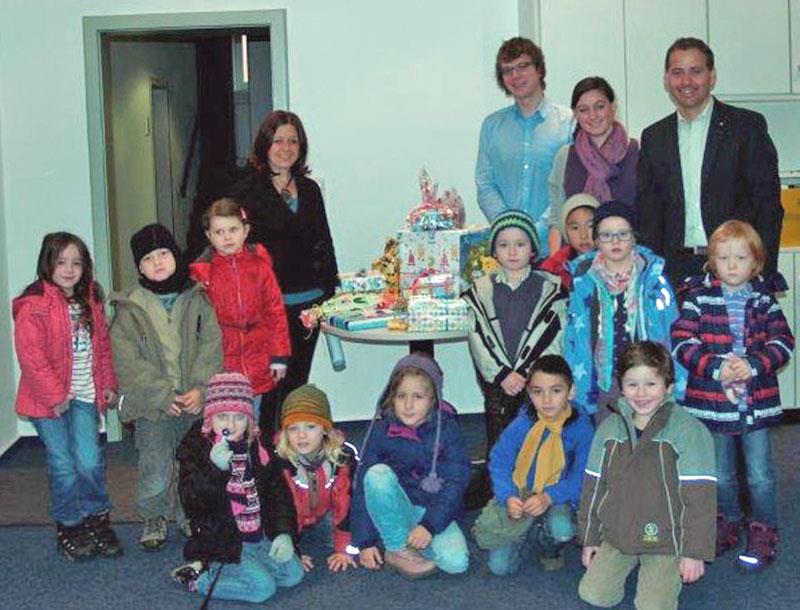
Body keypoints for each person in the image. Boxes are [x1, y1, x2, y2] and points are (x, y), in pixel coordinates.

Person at [671, 220, 794, 570]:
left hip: (756, 403)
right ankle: (725, 522)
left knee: (760, 474)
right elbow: (682, 341)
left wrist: (755, 365)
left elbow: (783, 342)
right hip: (712, 404)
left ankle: (763, 528)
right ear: (711, 261)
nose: (732, 265)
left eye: (741, 257)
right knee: (721, 473)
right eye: (723, 257)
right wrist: (715, 368)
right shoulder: (697, 298)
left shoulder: (764, 300)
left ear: (755, 262)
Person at [577, 341, 716, 609]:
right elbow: (593, 488)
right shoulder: (608, 429)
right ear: (621, 387)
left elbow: (700, 498)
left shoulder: (688, 431)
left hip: (665, 538)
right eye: (632, 384)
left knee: (652, 606)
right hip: (620, 533)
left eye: (651, 384)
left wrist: (694, 552)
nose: (641, 393)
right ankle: (626, 562)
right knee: (595, 595)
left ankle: (660, 570)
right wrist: (590, 537)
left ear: (669, 387)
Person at [110, 223, 222, 551]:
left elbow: (211, 345)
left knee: (193, 463)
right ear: (139, 267)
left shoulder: (198, 297)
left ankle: (189, 512)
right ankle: (154, 515)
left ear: (175, 255)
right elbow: (127, 361)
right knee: (155, 463)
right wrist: (161, 394)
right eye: (148, 258)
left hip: (192, 401)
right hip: (152, 405)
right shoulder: (130, 308)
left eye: (163, 254)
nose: (158, 262)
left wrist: (200, 388)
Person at [637, 37, 782, 286]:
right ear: (666, 79)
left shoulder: (746, 128)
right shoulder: (654, 137)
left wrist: (762, 273)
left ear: (712, 76)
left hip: (736, 269)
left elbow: (768, 207)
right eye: (677, 72)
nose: (686, 82)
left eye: (696, 71)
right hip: (674, 274)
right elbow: (649, 215)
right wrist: (649, 277)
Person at [13, 232, 121, 561]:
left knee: (89, 460)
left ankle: (96, 517)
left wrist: (107, 383)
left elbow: (102, 347)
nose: (69, 269)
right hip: (47, 402)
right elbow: (30, 356)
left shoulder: (90, 299)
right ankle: (69, 524)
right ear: (47, 264)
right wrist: (55, 394)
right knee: (63, 464)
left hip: (85, 396)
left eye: (76, 263)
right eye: (61, 262)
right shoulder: (33, 304)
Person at [228, 110, 339, 407]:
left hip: (309, 305)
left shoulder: (310, 189)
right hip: (268, 308)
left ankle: (291, 449)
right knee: (268, 388)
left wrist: (332, 291)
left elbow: (324, 241)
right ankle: (267, 450)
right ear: (265, 145)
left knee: (296, 384)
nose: (286, 147)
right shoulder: (246, 192)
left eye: (293, 141)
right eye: (278, 141)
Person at [171, 372, 304, 603]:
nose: (231, 425)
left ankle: (250, 564)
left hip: (257, 535)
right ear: (210, 417)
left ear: (249, 420)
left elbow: (277, 494)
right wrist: (214, 469)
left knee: (293, 574)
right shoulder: (195, 447)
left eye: (239, 418)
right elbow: (192, 501)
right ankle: (198, 578)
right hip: (221, 541)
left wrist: (283, 533)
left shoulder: (258, 447)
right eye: (222, 416)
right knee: (263, 589)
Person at [463, 210, 568, 476]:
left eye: (520, 244)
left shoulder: (550, 289)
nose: (512, 252)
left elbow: (553, 335)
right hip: (498, 382)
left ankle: (539, 481)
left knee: (539, 431)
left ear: (532, 249)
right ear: (494, 250)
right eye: (504, 245)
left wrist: (528, 374)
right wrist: (501, 374)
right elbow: (476, 337)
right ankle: (498, 485)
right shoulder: (479, 291)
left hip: (535, 381)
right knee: (499, 436)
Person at [351, 353, 470, 579]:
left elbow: (456, 483)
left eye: (418, 396)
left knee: (456, 563)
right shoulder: (380, 431)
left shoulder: (448, 429)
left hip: (432, 508)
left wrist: (429, 526)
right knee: (376, 475)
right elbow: (361, 488)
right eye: (400, 396)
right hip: (397, 505)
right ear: (391, 397)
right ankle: (397, 548)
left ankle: (409, 538)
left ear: (433, 399)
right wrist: (365, 541)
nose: (407, 405)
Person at [473, 355, 593, 574]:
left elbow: (583, 476)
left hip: (558, 496)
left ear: (571, 391)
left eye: (556, 391)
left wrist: (549, 497)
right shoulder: (524, 422)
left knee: (562, 530)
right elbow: (499, 459)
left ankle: (549, 545)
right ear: (529, 393)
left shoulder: (581, 428)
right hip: (521, 492)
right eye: (538, 392)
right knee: (500, 568)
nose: (547, 400)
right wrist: (508, 495)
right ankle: (525, 531)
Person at [564, 201, 683, 417]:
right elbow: (573, 336)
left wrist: (677, 379)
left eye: (623, 234)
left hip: (649, 381)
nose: (615, 241)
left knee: (651, 442)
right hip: (605, 381)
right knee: (609, 442)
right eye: (606, 235)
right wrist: (573, 380)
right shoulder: (583, 281)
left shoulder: (654, 278)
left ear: (634, 237)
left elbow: (673, 329)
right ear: (596, 240)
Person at [190, 198, 290, 438]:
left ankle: (252, 466)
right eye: (219, 232)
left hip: (258, 351)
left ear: (245, 231)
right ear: (209, 236)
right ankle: (225, 467)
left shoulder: (260, 266)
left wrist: (279, 357)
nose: (227, 237)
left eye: (233, 230)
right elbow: (198, 324)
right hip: (222, 355)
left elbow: (275, 311)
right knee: (225, 418)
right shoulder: (204, 273)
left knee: (252, 420)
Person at [476, 36, 573, 254]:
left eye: (523, 66)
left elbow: (570, 185)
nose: (515, 75)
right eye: (507, 70)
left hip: (555, 249)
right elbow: (485, 184)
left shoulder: (569, 122)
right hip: (507, 253)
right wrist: (510, 228)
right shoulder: (492, 126)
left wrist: (533, 231)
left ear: (539, 69)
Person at [270, 384, 358, 572]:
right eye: (293, 429)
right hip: (291, 519)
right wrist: (294, 549)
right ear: (285, 432)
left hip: (323, 514)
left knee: (356, 527)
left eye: (311, 427)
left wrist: (343, 549)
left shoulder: (341, 458)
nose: (302, 435)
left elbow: (345, 503)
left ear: (325, 429)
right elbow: (282, 509)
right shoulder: (279, 462)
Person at [547, 77, 638, 254]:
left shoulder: (637, 151)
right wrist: (555, 269)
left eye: (599, 106)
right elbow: (557, 220)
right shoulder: (565, 156)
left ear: (613, 107)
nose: (593, 116)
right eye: (584, 110)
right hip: (579, 266)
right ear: (575, 114)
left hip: (629, 261)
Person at [538, 192, 600, 289]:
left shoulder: (613, 260)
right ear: (565, 232)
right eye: (575, 228)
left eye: (590, 226)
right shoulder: (554, 268)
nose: (583, 235)